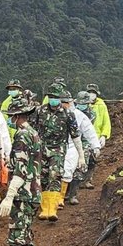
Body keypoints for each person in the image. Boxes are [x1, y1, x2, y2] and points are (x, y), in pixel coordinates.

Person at [0, 93, 42, 246]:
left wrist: (10, 196)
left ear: (16, 116)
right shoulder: (33, 133)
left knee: (20, 238)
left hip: (24, 194)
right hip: (33, 191)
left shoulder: (22, 137)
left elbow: (20, 171)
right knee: (24, 234)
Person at [31, 82, 77, 221]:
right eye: (51, 96)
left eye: (56, 97)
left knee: (55, 175)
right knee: (43, 177)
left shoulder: (68, 114)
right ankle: (44, 209)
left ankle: (53, 209)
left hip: (58, 149)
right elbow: (32, 130)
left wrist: (80, 155)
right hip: (42, 148)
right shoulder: (40, 111)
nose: (53, 99)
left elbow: (75, 135)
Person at [61, 95, 102, 205]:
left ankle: (72, 194)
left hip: (79, 144)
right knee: (61, 170)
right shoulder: (54, 113)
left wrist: (96, 145)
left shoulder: (81, 115)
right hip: (59, 145)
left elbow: (89, 130)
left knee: (79, 168)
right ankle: (61, 195)